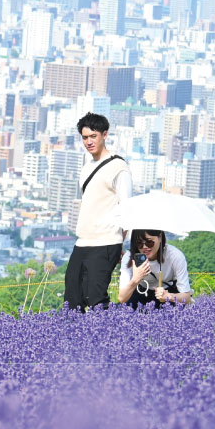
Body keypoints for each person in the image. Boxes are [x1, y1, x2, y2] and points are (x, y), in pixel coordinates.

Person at [64, 112, 132, 311]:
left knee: (96, 297)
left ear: (104, 135)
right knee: (72, 298)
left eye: (93, 136)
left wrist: (120, 242)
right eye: (85, 137)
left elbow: (126, 208)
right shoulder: (86, 168)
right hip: (83, 240)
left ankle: (102, 338)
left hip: (106, 241)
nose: (88, 142)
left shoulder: (119, 167)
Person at [118, 229, 192, 308]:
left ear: (160, 238)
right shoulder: (129, 257)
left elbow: (187, 297)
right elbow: (122, 298)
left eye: (149, 242)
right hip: (141, 291)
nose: (144, 247)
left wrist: (169, 296)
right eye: (139, 243)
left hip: (167, 292)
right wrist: (136, 279)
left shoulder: (175, 255)